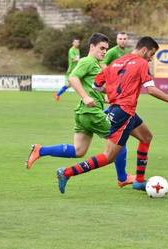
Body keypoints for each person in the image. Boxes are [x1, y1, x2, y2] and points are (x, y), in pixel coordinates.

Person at [55, 36, 168, 194]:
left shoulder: (116, 62)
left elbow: (96, 85)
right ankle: (67, 173)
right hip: (123, 113)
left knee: (146, 137)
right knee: (109, 156)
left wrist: (114, 93)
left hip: (122, 110)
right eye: (151, 54)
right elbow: (151, 89)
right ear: (144, 50)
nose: (151, 58)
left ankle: (139, 181)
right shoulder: (142, 63)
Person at [26, 33, 134, 188]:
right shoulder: (88, 61)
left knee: (79, 150)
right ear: (91, 47)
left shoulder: (96, 64)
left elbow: (93, 89)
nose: (104, 52)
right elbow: (73, 78)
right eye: (101, 48)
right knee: (120, 142)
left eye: (106, 49)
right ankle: (123, 178)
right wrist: (84, 97)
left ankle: (40, 150)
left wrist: (106, 98)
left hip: (83, 113)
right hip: (91, 113)